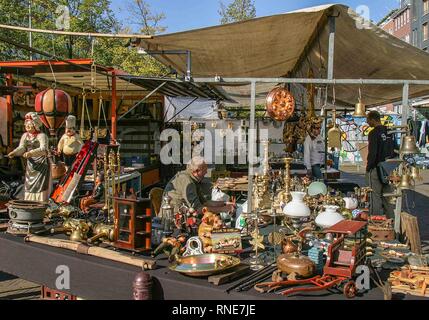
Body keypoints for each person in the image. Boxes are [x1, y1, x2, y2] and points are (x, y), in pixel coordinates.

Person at [163, 156, 235, 217]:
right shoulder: (187, 181)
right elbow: (198, 209)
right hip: (173, 217)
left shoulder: (192, 179)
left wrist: (224, 203)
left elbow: (204, 203)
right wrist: (223, 209)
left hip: (182, 214)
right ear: (196, 171)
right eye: (204, 170)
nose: (206, 172)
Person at [7, 112, 51, 202]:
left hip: (41, 164)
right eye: (26, 123)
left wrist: (31, 153)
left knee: (40, 183)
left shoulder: (42, 136)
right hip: (31, 164)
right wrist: (14, 152)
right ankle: (29, 200)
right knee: (29, 183)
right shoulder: (25, 136)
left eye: (29, 123)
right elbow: (22, 147)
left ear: (35, 124)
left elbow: (44, 149)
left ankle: (41, 201)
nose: (27, 125)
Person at [365, 111, 396, 218]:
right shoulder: (389, 131)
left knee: (375, 197)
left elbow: (372, 152)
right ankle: (391, 222)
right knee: (388, 198)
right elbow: (395, 149)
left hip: (376, 168)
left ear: (373, 119)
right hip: (389, 168)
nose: (367, 122)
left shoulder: (373, 133)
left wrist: (369, 167)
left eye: (368, 119)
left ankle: (376, 223)